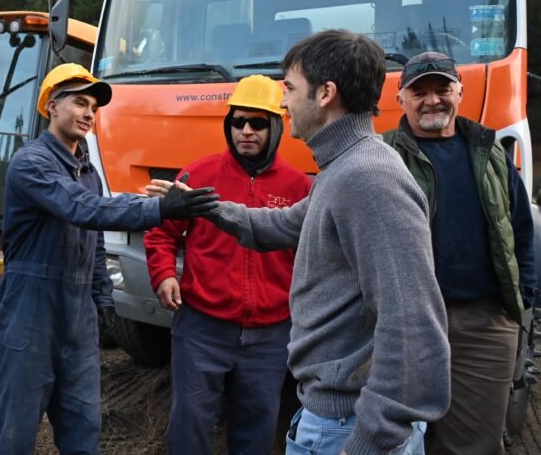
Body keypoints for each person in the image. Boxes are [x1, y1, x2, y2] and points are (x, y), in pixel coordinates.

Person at [188, 30, 451, 454]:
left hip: (350, 430)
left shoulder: (367, 178)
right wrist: (203, 206)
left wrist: (370, 440)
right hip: (331, 420)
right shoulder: (341, 168)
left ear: (326, 93)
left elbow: (413, 327)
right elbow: (282, 225)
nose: (284, 103)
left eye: (289, 89)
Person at [0, 63, 218, 454]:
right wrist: (160, 210)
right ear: (51, 106)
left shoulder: (88, 171)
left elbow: (92, 238)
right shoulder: (32, 164)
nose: (88, 114)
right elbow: (83, 209)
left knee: (83, 423)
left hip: (76, 314)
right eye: (79, 103)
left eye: (93, 108)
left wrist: (101, 300)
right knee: (17, 428)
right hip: (30, 308)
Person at [143, 75, 311, 454]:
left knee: (257, 428)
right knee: (190, 426)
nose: (246, 131)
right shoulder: (198, 177)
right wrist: (165, 274)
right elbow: (161, 233)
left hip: (270, 335)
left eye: (257, 123)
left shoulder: (299, 187)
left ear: (276, 127)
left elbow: (311, 257)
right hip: (203, 327)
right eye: (238, 122)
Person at [383, 51, 536, 454]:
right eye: (419, 92)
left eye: (442, 89)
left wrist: (521, 303)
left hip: (484, 324)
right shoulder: (382, 158)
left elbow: (521, 230)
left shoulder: (493, 154)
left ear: (460, 93)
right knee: (399, 439)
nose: (432, 100)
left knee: (475, 443)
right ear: (401, 100)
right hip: (405, 324)